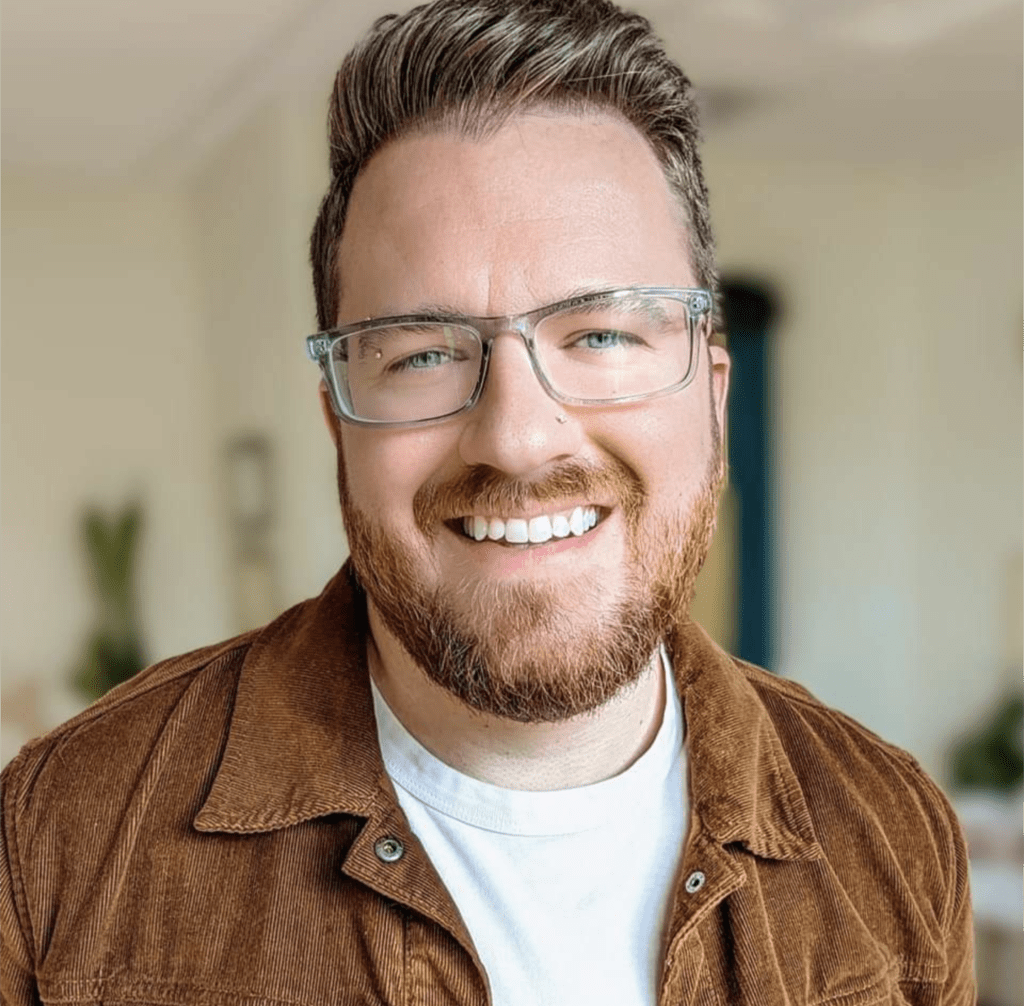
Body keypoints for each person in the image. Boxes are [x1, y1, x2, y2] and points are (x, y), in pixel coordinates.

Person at [1, 1, 974, 1003]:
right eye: (422, 354)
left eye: (600, 334)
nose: (516, 436)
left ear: (713, 397)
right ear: (338, 421)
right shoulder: (58, 842)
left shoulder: (892, 834)